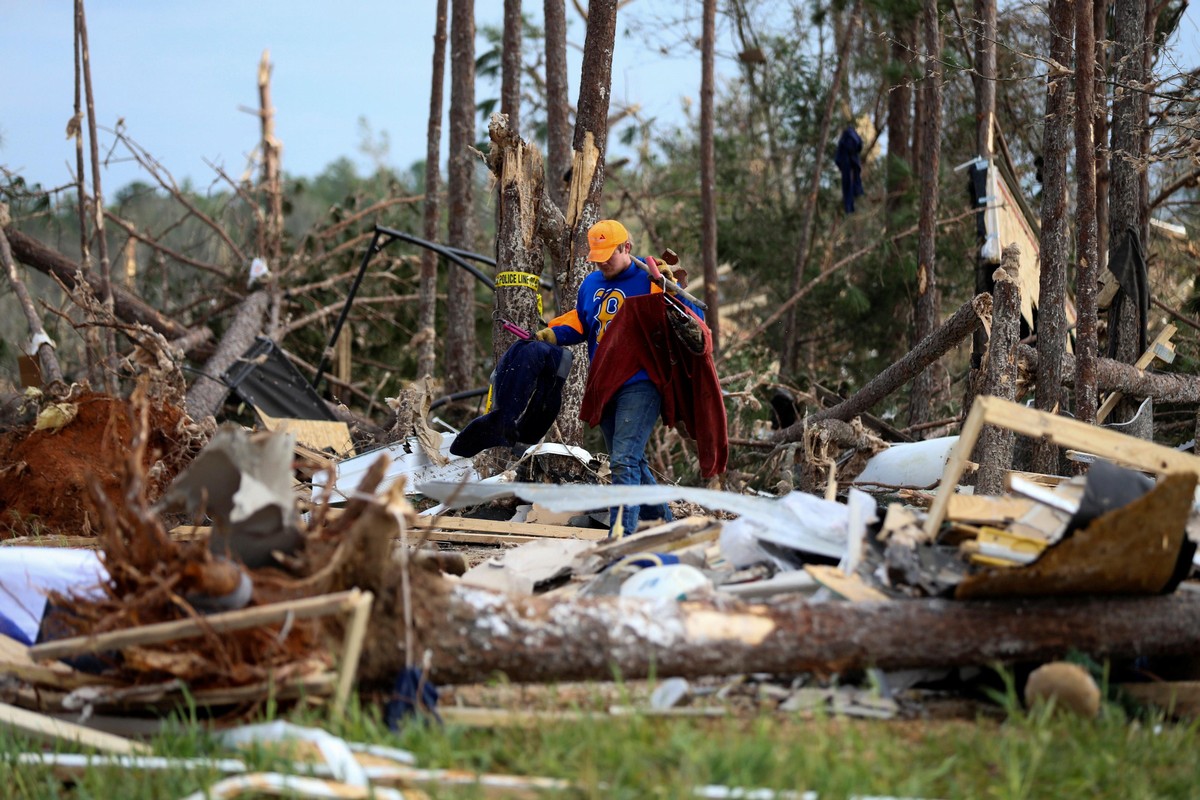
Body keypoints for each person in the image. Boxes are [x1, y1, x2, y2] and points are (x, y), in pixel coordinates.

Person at [535, 219, 705, 537]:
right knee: (632, 461)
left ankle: (621, 536)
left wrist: (670, 289)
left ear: (626, 247)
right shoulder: (590, 285)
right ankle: (667, 528)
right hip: (606, 384)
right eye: (597, 256)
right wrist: (551, 333)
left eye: (608, 255)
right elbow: (581, 321)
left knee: (624, 460)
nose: (602, 262)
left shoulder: (650, 278)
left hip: (642, 380)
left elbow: (693, 319)